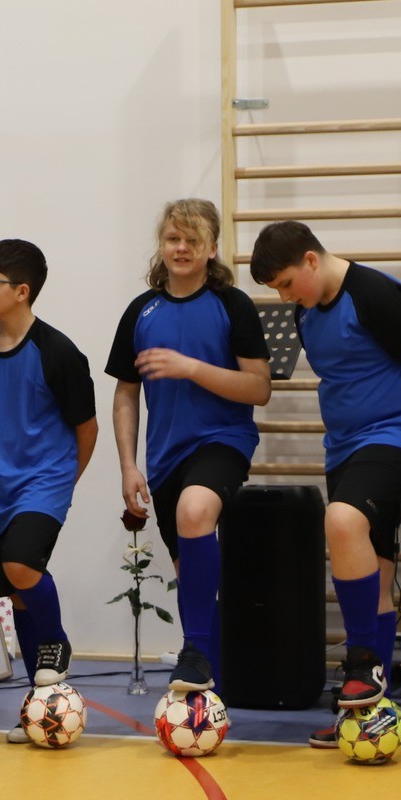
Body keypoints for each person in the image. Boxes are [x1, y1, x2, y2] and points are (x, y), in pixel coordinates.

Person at [249, 221, 401, 747]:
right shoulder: (305, 310)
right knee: (376, 573)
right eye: (275, 289)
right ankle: (367, 717)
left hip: (398, 435)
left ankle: (362, 663)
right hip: (344, 447)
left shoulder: (377, 296)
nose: (284, 296)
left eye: (287, 283)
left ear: (311, 260)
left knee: (341, 520)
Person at [106, 199, 270, 697]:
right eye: (173, 239)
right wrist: (128, 466)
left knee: (195, 510)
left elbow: (258, 387)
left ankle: (193, 650)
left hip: (223, 440)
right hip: (165, 458)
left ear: (212, 248)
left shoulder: (232, 305)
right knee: (190, 577)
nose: (181, 248)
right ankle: (211, 685)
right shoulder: (141, 311)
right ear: (162, 245)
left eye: (192, 240)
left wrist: (191, 368)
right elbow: (125, 395)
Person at [0, 239, 98, 742]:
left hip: (45, 484)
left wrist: (61, 484)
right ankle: (40, 711)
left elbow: (87, 428)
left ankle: (58, 641)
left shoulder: (58, 352)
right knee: (17, 596)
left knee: (21, 565)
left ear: (22, 291)